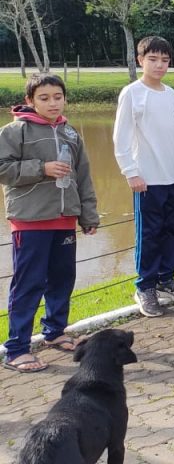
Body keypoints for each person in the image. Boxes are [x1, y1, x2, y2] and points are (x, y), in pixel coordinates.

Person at [0, 74, 100, 373]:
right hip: (30, 220)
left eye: (58, 97)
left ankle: (54, 331)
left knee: (62, 277)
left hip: (64, 219)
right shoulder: (14, 131)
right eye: (44, 98)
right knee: (29, 283)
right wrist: (41, 168)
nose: (52, 103)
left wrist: (88, 215)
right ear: (30, 101)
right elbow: (3, 168)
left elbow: (83, 176)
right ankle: (16, 348)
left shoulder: (70, 133)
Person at [112, 36, 174, 318]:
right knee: (149, 234)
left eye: (164, 60)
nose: (159, 65)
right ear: (140, 60)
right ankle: (145, 286)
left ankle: (166, 278)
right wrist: (131, 172)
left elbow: (170, 134)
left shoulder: (170, 93)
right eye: (153, 59)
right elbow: (121, 138)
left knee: (171, 230)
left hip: (171, 175)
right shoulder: (132, 93)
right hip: (146, 179)